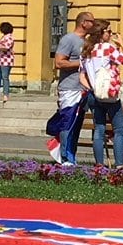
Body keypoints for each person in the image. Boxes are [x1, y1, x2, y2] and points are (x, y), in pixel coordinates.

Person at [81, 19, 123, 167]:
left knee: (99, 130)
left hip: (94, 95)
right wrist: (121, 44)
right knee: (119, 130)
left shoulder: (86, 50)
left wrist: (92, 88)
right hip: (109, 95)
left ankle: (99, 165)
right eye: (109, 31)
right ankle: (120, 165)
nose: (111, 34)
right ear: (101, 33)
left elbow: (82, 75)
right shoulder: (107, 48)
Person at [53, 11, 94, 166]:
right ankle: (64, 157)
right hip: (69, 88)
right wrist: (82, 64)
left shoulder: (87, 41)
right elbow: (59, 63)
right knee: (67, 122)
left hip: (83, 88)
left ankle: (71, 157)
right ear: (83, 23)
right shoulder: (69, 39)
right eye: (91, 21)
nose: (93, 24)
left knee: (77, 125)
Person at [0, 22, 15, 102]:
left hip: (6, 60)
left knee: (5, 77)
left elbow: (6, 47)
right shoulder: (3, 37)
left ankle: (5, 95)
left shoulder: (9, 37)